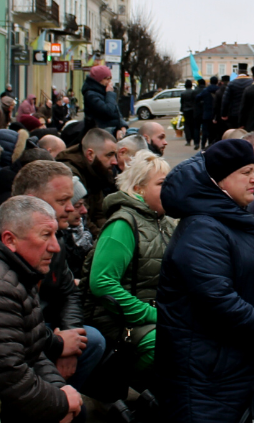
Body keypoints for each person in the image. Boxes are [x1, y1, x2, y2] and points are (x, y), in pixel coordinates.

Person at [156, 140, 254, 423]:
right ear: (218, 181)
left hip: (239, 359)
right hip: (207, 373)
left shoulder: (234, 217)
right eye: (245, 172)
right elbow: (216, 298)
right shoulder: (203, 229)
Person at [0, 196, 84, 423]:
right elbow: (7, 378)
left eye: (55, 235)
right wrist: (59, 402)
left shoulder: (16, 270)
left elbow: (32, 348)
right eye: (45, 235)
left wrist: (60, 390)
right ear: (10, 240)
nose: (55, 247)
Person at [83, 150, 174, 393]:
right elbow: (102, 283)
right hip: (119, 320)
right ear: (138, 188)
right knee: (169, 345)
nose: (170, 189)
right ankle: (129, 388)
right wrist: (152, 314)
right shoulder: (123, 224)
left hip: (156, 314)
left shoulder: (167, 221)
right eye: (161, 184)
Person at [56, 128, 119, 236]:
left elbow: (99, 214)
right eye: (109, 155)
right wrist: (104, 239)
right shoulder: (69, 175)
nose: (115, 161)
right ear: (90, 155)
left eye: (115, 155)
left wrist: (111, 234)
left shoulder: (96, 171)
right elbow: (83, 219)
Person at [83, 66, 128, 138]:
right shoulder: (91, 95)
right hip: (100, 132)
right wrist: (109, 93)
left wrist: (122, 126)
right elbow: (108, 111)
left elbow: (116, 111)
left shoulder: (105, 91)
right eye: (107, 79)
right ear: (99, 80)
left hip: (112, 128)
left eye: (110, 79)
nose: (110, 82)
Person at [196, 76, 220, 149]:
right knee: (215, 131)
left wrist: (202, 103)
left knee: (205, 131)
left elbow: (197, 98)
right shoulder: (219, 90)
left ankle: (203, 145)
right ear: (217, 82)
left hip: (206, 113)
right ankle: (213, 144)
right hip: (216, 115)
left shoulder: (205, 90)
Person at [182, 79, 201, 149]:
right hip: (193, 110)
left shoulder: (183, 93)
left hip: (186, 110)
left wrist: (182, 110)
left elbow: (182, 103)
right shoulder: (193, 92)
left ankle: (188, 140)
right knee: (193, 124)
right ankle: (194, 138)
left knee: (187, 125)